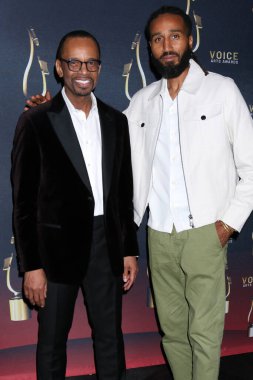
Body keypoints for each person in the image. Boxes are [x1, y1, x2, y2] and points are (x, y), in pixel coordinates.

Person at [124, 6, 253, 380]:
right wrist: (54, 110)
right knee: (174, 332)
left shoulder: (222, 90)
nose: (167, 46)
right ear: (150, 48)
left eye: (174, 36)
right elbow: (110, 143)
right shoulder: (143, 101)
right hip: (159, 234)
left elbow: (250, 166)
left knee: (205, 332)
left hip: (206, 233)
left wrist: (227, 225)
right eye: (158, 39)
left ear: (190, 40)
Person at [11, 30, 138, 380]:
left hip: (105, 244)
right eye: (74, 61)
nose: (84, 69)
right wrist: (32, 266)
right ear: (59, 68)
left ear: (99, 67)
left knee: (110, 338)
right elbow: (23, 204)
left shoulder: (117, 122)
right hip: (54, 252)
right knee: (52, 342)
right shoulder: (35, 121)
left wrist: (128, 249)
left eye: (91, 62)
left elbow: (122, 194)